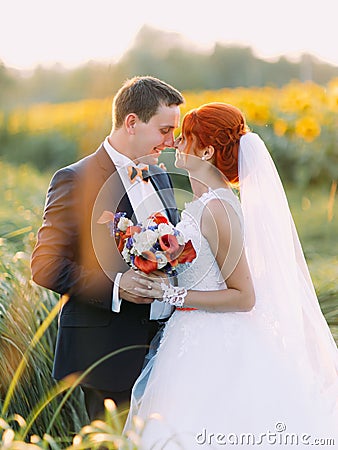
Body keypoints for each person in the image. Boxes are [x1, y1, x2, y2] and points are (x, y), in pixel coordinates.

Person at [124, 103, 338, 449]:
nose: (177, 144)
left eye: (185, 139)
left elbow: (243, 295)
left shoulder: (218, 207)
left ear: (206, 151)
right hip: (189, 336)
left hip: (213, 340)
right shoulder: (205, 201)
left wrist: (171, 295)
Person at [30, 76, 184, 421]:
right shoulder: (74, 178)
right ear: (132, 122)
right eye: (164, 130)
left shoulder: (160, 175)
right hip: (106, 350)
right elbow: (45, 264)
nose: (171, 141)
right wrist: (117, 287)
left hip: (169, 347)